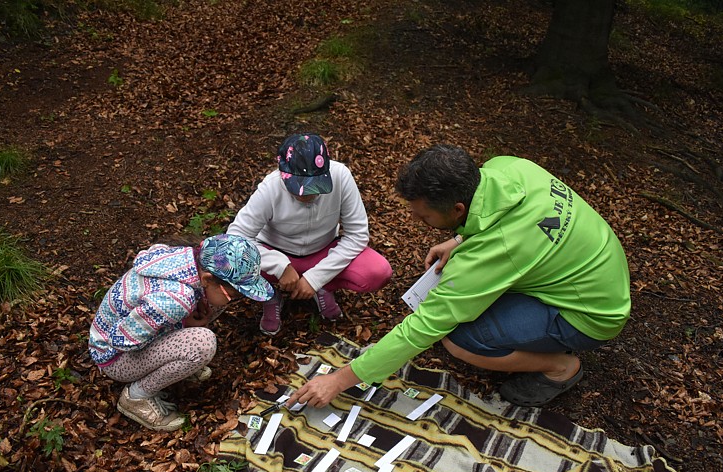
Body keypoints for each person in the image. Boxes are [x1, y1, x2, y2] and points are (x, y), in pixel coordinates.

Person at [288, 145, 631, 408]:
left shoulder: (497, 253)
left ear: (457, 209)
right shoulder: (507, 167)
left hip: (590, 314)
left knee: (459, 340)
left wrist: (340, 380)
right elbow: (503, 222)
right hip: (596, 267)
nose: (419, 223)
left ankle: (560, 366)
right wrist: (459, 239)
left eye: (424, 218)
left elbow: (424, 327)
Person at [88, 233, 273, 431]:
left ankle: (176, 363)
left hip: (121, 335)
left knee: (215, 306)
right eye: (234, 295)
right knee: (202, 344)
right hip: (115, 357)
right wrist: (181, 323)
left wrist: (182, 319)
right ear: (207, 279)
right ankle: (136, 397)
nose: (235, 300)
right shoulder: (177, 300)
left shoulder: (189, 258)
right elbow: (122, 340)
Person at [227, 133, 392, 335]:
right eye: (298, 188)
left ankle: (325, 287)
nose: (307, 194)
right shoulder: (270, 188)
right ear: (283, 174)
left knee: (378, 271)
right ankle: (269, 295)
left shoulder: (341, 176)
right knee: (233, 259)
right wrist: (278, 265)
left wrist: (316, 278)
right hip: (277, 251)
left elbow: (357, 234)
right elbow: (235, 238)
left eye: (315, 187)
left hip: (322, 250)